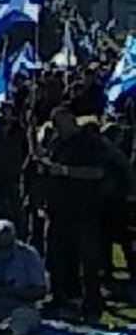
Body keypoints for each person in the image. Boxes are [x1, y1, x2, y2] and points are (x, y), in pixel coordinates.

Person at [38, 104, 110, 323]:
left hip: (84, 210)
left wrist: (66, 171)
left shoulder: (90, 142)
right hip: (58, 209)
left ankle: (91, 303)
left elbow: (98, 172)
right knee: (55, 257)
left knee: (88, 261)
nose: (60, 127)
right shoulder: (56, 142)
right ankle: (59, 297)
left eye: (63, 122)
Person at [0, 217, 48, 335]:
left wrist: (13, 291)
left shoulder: (29, 255)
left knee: (27, 316)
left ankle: (7, 333)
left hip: (16, 307)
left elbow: (40, 291)